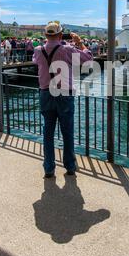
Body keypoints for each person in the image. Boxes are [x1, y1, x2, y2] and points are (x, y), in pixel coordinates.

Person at [33, 21, 93, 178]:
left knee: (48, 132)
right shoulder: (66, 49)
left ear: (46, 35)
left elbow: (36, 61)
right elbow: (88, 58)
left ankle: (48, 168)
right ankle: (70, 166)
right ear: (60, 35)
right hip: (64, 94)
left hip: (45, 93)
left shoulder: (38, 50)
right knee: (67, 131)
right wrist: (79, 43)